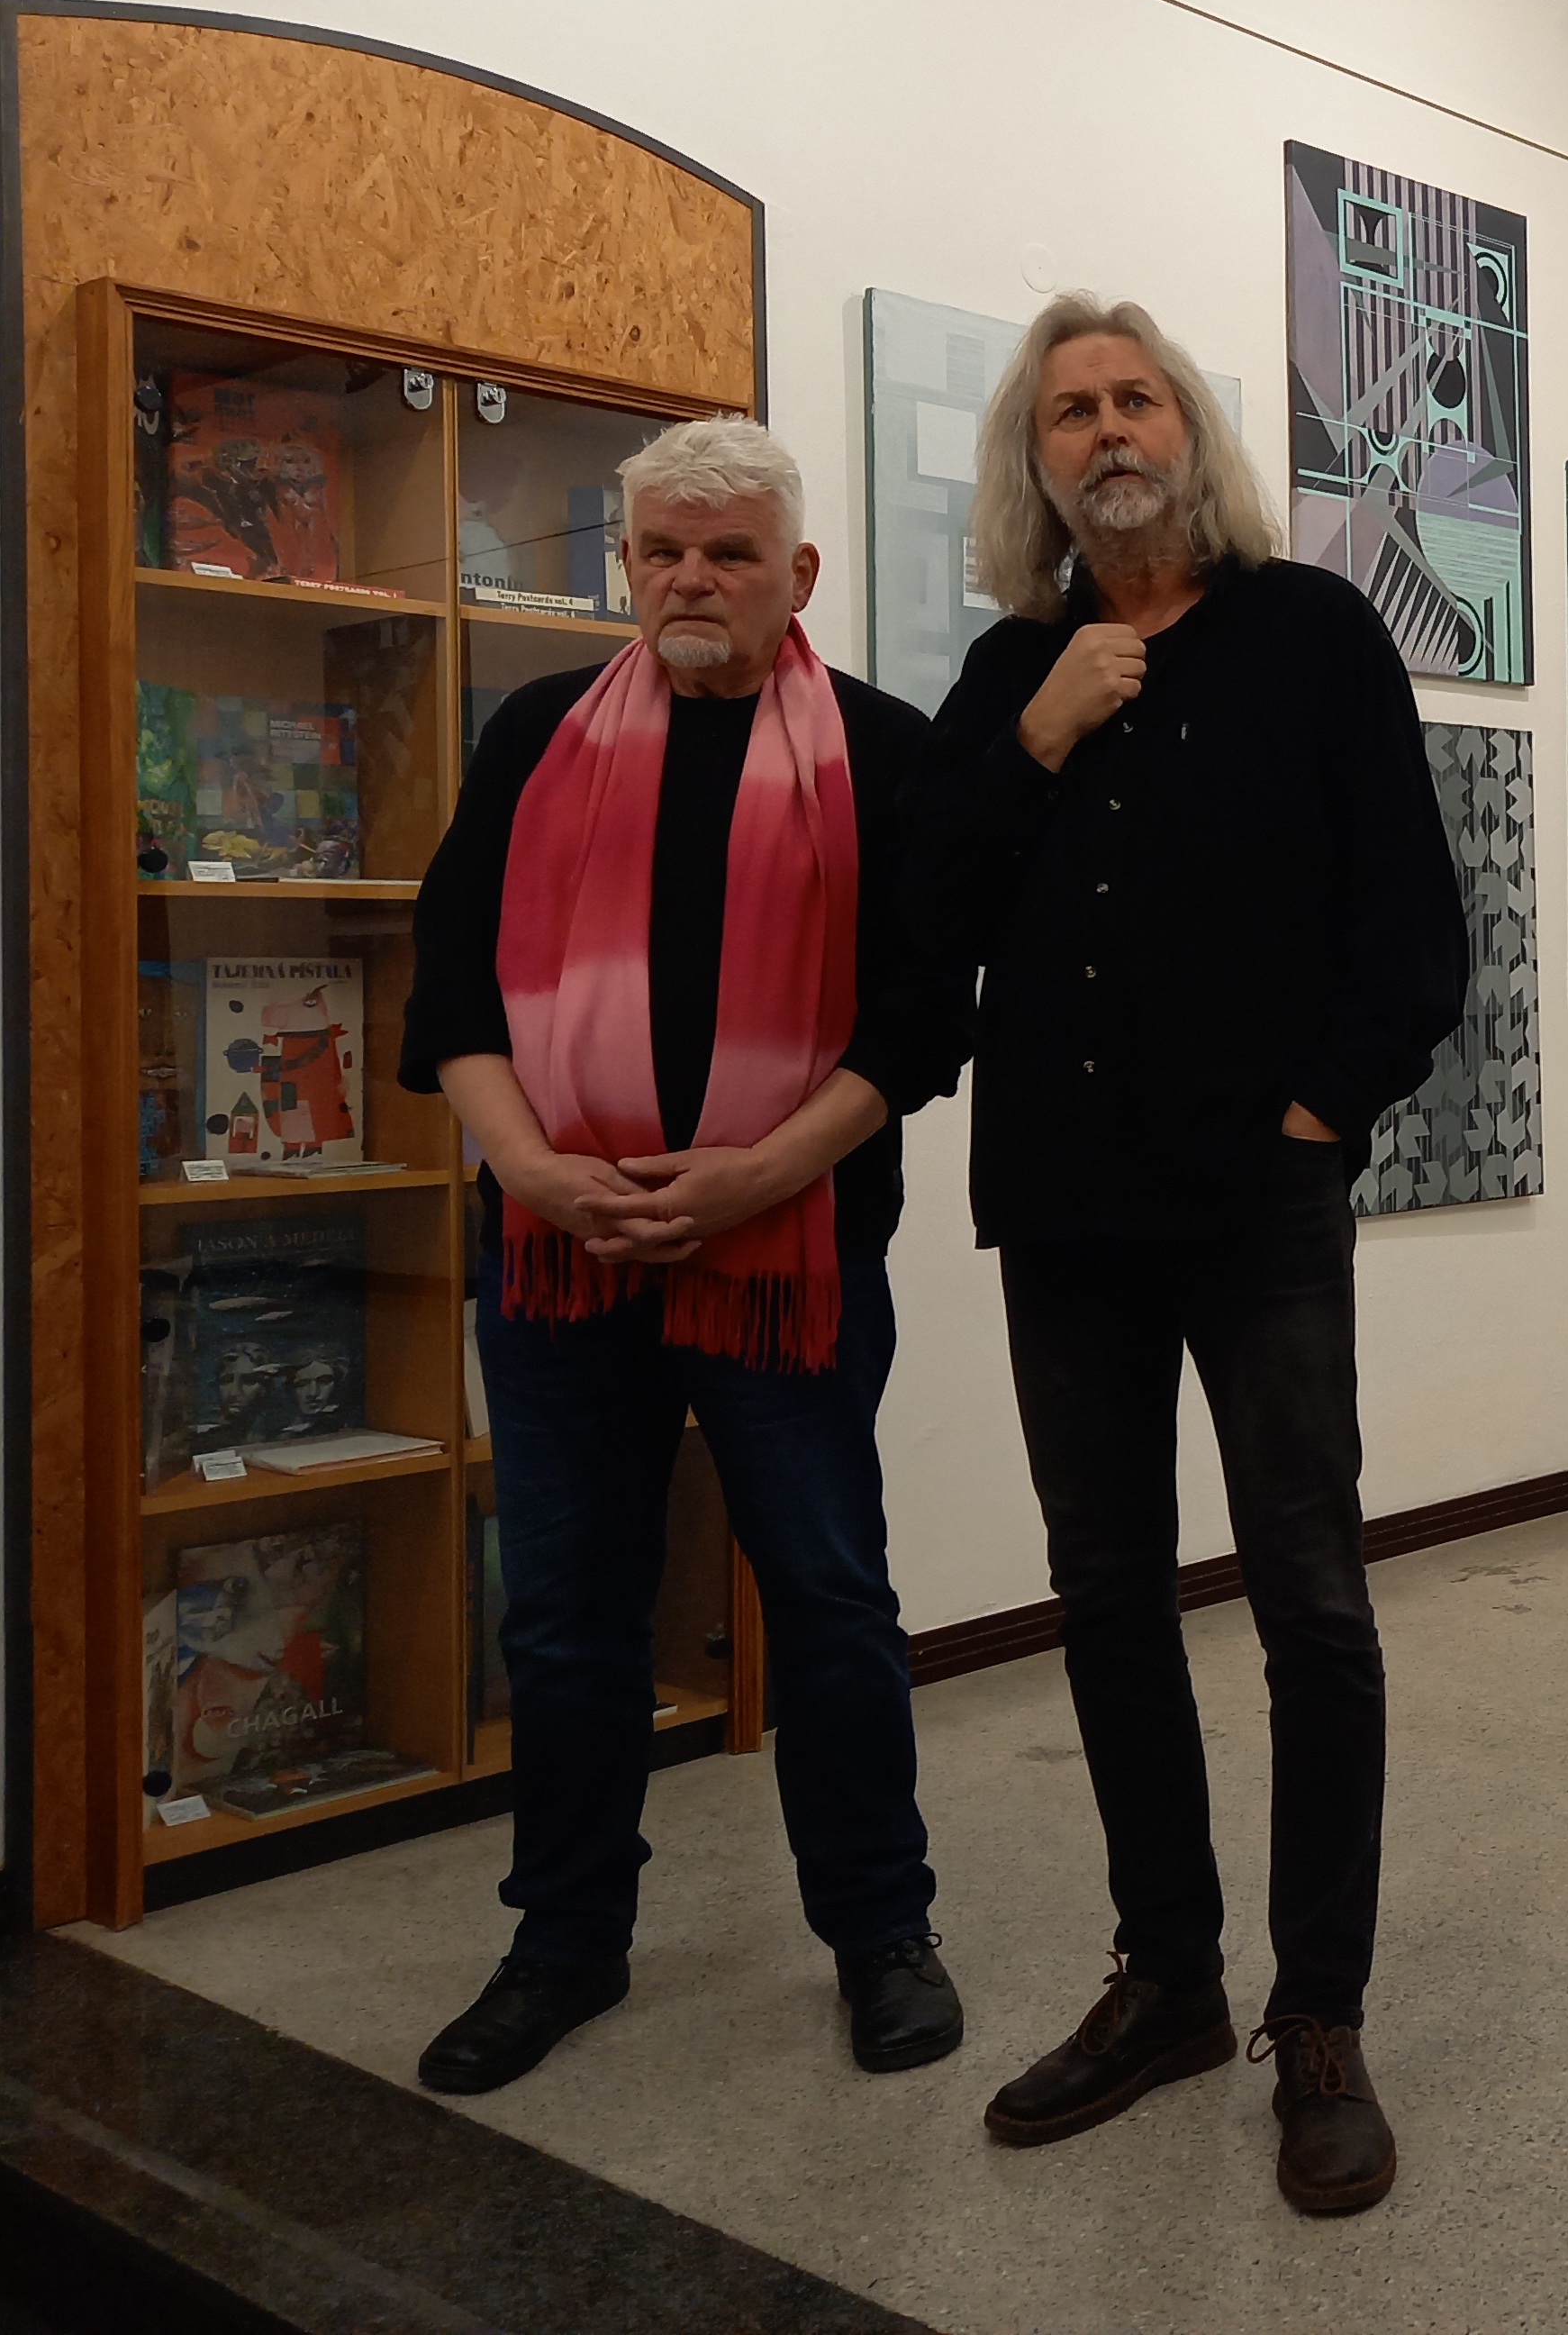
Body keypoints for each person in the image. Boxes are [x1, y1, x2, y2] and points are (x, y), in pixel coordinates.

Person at [911, 295, 1464, 2216]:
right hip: (1065, 1209)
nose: (1106, 430)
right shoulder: (1011, 671)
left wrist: (1319, 1114)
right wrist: (1036, 739)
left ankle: (1320, 2020)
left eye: (1134, 397)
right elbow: (922, 915)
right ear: (1038, 460)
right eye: (1069, 410)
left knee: (1310, 1601)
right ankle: (1165, 1981)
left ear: (1190, 433)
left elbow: (1412, 925)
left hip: (1256, 1208)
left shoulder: (1312, 634)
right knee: (1107, 1600)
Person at [398, 418, 974, 2095]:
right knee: (568, 1618)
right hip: (561, 1261)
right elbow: (452, 989)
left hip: (790, 1253)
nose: (691, 580)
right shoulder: (533, 736)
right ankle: (564, 1943)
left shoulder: (884, 750)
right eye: (662, 551)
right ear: (624, 565)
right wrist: (531, 1173)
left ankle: (881, 1933)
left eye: (730, 553)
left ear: (799, 574)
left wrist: (754, 1179)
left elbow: (922, 1023)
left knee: (829, 1602)